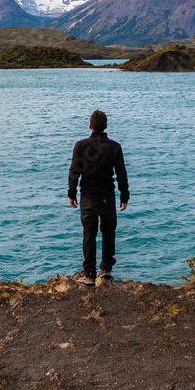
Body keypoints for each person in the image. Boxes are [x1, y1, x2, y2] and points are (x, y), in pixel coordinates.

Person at [68, 109, 128, 286]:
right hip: (107, 197)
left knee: (89, 234)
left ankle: (89, 274)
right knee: (108, 232)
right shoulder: (115, 147)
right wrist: (124, 195)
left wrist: (72, 193)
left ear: (90, 126)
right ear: (106, 126)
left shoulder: (80, 146)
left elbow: (74, 172)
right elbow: (121, 174)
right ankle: (106, 269)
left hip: (88, 197)